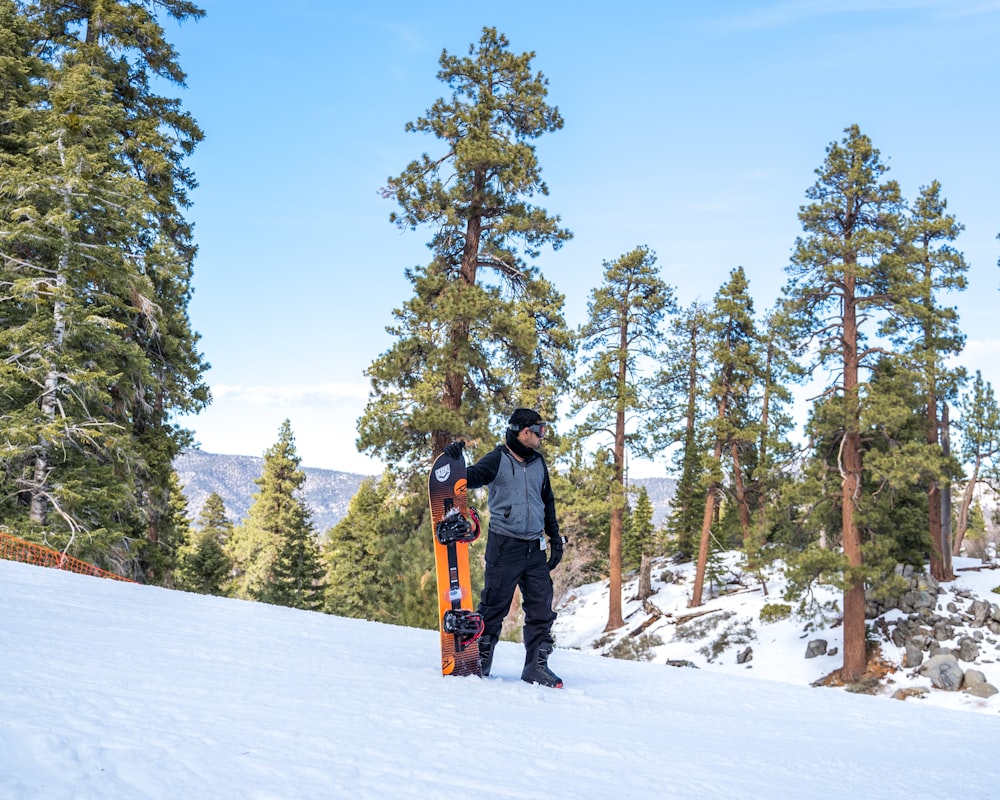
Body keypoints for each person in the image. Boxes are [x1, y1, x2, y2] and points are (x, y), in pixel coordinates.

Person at [444, 408, 566, 688]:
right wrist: (454, 464)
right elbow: (471, 477)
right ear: (525, 432)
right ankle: (481, 660)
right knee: (494, 606)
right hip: (505, 545)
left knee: (541, 608)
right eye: (540, 431)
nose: (542, 437)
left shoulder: (538, 463)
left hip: (534, 548)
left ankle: (536, 666)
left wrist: (555, 539)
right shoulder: (498, 458)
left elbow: (547, 502)